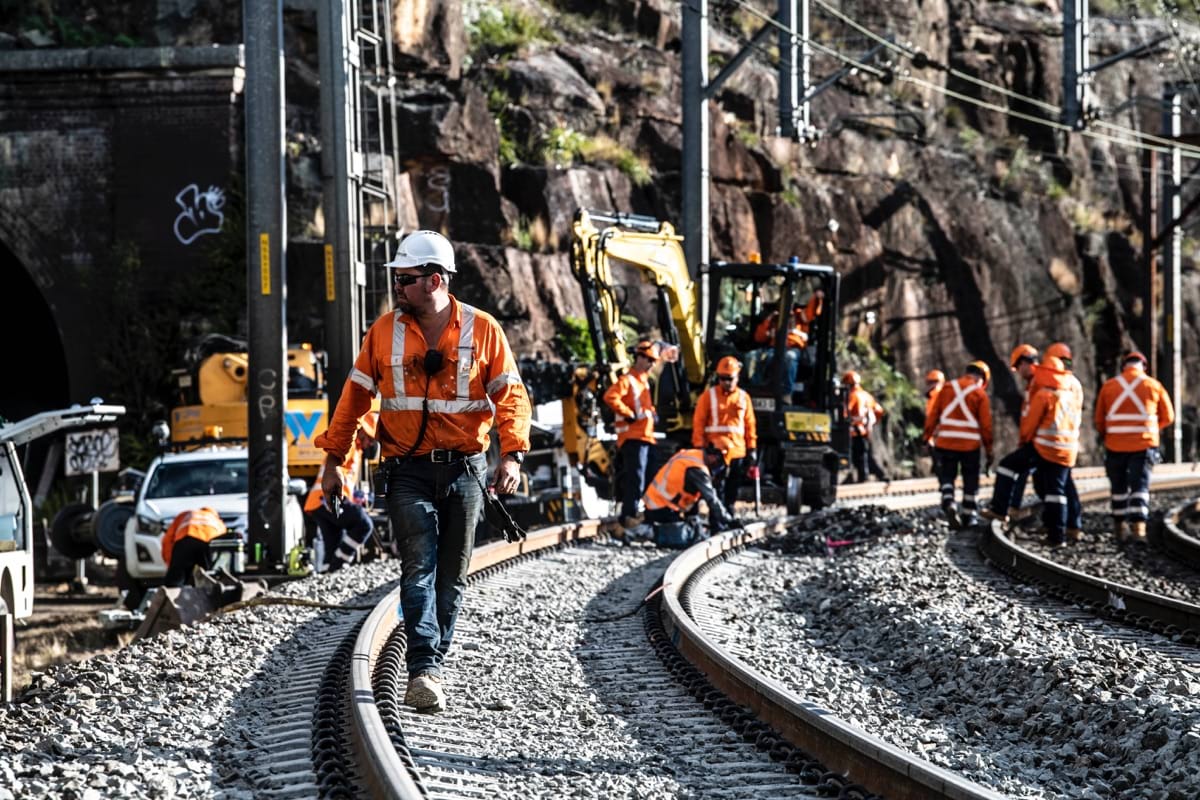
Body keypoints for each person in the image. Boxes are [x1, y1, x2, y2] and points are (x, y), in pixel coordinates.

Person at [313, 229, 531, 714]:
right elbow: (353, 401)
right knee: (418, 571)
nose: (397, 286)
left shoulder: (483, 329)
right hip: (406, 470)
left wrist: (511, 455)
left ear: (434, 280)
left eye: (405, 278)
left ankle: (432, 659)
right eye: (396, 277)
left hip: (466, 471)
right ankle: (424, 668)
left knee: (451, 578)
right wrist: (333, 461)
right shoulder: (384, 331)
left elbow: (511, 398)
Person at [1094, 351, 1175, 542]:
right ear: (1143, 367)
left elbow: (1099, 420)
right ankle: (1138, 529)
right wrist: (1153, 428)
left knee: (1118, 487)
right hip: (1143, 444)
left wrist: (1112, 433)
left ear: (1124, 366)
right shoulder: (1153, 385)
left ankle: (1120, 527)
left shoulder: (1109, 386)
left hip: (1115, 445)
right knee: (1140, 486)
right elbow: (1169, 416)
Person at [304, 411, 379, 572]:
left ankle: (327, 573)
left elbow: (345, 477)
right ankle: (338, 567)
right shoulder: (350, 445)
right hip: (326, 499)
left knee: (332, 544)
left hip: (318, 503)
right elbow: (335, 470)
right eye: (370, 439)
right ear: (361, 431)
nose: (370, 444)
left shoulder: (356, 451)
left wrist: (354, 497)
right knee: (364, 524)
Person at [1020, 355, 1081, 547]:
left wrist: (1025, 440)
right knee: (1062, 488)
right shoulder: (1072, 388)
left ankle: (1057, 534)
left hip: (1048, 447)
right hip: (1067, 445)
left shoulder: (1046, 393)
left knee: (1055, 490)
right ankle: (1069, 527)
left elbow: (1033, 421)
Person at [923, 362, 993, 529]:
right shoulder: (979, 394)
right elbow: (986, 426)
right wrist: (989, 449)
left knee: (947, 475)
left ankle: (949, 502)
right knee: (970, 479)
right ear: (982, 379)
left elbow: (933, 415)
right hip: (970, 445)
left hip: (946, 442)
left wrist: (927, 437)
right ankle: (969, 516)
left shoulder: (946, 388)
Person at [603, 339, 659, 529]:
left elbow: (644, 407)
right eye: (649, 359)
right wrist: (628, 414)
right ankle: (629, 516)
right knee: (635, 478)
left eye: (653, 360)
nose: (652, 364)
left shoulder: (644, 382)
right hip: (632, 437)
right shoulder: (628, 380)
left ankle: (642, 515)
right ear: (639, 358)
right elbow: (610, 396)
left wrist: (653, 413)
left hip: (645, 436)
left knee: (646, 477)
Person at [981, 344, 1039, 525]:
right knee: (1048, 483)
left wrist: (1026, 439)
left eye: (1017, 367)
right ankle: (1066, 527)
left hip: (1042, 442)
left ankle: (1000, 510)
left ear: (1024, 362)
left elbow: (1035, 416)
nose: (1018, 373)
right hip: (1049, 442)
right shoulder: (1037, 383)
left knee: (1007, 466)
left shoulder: (1039, 383)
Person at [692, 356, 758, 509]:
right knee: (717, 490)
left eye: (729, 378)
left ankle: (729, 516)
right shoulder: (708, 396)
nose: (726, 382)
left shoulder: (743, 398)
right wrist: (699, 447)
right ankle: (718, 521)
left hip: (737, 453)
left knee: (732, 489)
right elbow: (699, 423)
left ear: (737, 377)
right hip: (716, 452)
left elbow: (750, 425)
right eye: (722, 378)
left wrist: (752, 448)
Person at [642, 443, 735, 543]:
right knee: (689, 537)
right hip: (661, 508)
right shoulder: (697, 468)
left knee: (696, 531)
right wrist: (729, 520)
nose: (718, 468)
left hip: (658, 504)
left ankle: (651, 529)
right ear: (714, 456)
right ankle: (646, 531)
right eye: (719, 463)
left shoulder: (692, 455)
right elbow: (711, 499)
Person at [752, 289, 824, 393]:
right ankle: (756, 389)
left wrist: (816, 297)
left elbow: (810, 312)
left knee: (789, 357)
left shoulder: (799, 316)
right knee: (762, 357)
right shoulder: (773, 319)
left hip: (794, 349)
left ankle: (787, 392)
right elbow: (758, 337)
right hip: (774, 348)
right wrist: (769, 323)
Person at [161, 507, 227, 587]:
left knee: (176, 578)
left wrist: (172, 564)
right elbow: (221, 543)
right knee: (207, 576)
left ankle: (171, 595)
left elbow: (167, 540)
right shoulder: (216, 520)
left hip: (185, 540)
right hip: (206, 544)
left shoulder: (185, 515)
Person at [843, 370, 888, 483]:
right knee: (864, 454)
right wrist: (872, 423)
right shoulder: (866, 395)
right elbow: (879, 410)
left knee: (858, 456)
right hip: (866, 430)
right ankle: (877, 474)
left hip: (855, 431)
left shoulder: (853, 396)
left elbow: (845, 413)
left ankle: (864, 477)